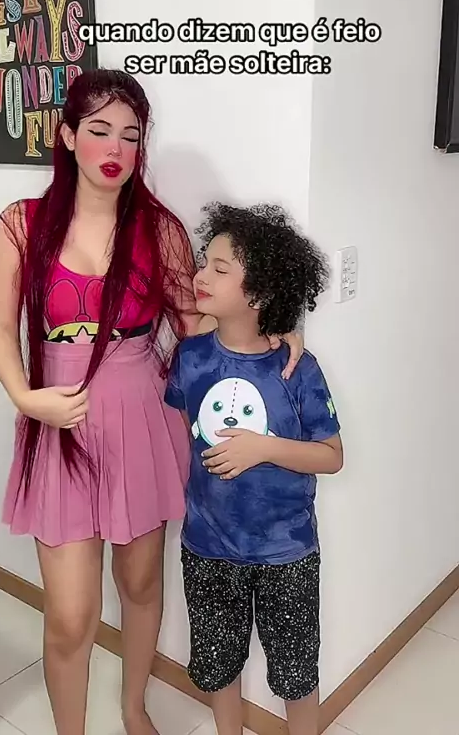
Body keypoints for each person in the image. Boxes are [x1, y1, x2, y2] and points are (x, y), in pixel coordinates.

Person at [0, 69, 304, 735]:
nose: (115, 148)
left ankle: (133, 708)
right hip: (59, 424)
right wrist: (24, 397)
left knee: (140, 586)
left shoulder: (159, 230)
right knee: (70, 617)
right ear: (67, 136)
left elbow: (195, 327)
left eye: (130, 135)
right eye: (99, 130)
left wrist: (269, 327)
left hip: (141, 420)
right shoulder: (20, 225)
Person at [164, 202, 343, 735]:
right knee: (219, 667)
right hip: (207, 545)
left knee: (295, 672)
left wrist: (263, 448)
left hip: (286, 552)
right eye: (205, 263)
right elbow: (188, 433)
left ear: (260, 294)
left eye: (220, 270)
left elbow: (331, 455)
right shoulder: (191, 357)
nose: (201, 276)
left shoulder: (297, 368)